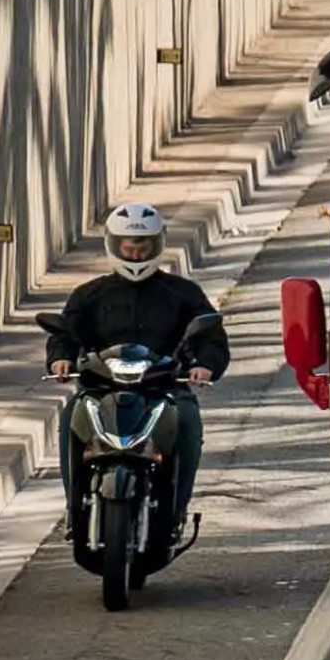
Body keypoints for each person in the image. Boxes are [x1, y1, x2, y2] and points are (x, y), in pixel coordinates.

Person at [48, 200, 225, 531]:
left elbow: (211, 334)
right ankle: (74, 508)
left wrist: (205, 365)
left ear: (158, 244)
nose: (135, 252)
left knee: (187, 420)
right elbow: (65, 332)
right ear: (114, 245)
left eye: (143, 244)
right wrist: (61, 357)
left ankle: (175, 511)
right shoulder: (89, 295)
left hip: (165, 387)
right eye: (128, 244)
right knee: (71, 416)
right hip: (101, 386)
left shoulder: (183, 293)